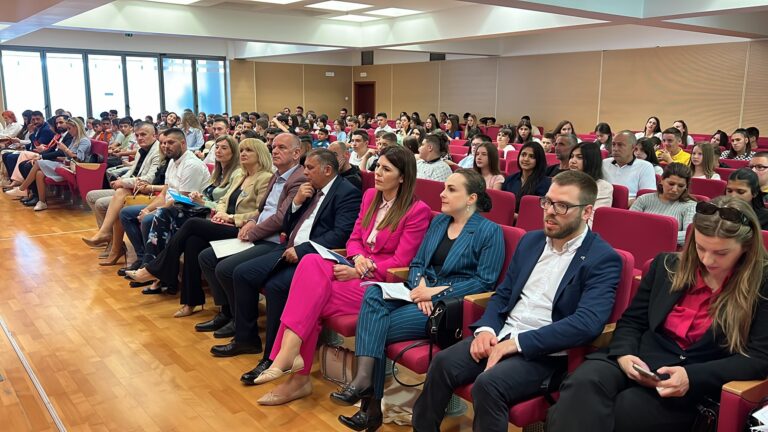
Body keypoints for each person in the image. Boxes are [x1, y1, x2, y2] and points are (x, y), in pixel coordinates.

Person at [413, 170, 622, 431]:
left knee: (488, 385)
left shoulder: (602, 258)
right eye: (547, 202)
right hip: (502, 334)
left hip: (545, 351)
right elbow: (503, 293)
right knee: (442, 363)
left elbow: (587, 323)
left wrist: (518, 343)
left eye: (562, 206)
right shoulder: (531, 241)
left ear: (587, 212)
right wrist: (486, 329)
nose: (550, 211)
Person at [548, 195, 768, 432]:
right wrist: (625, 354)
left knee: (624, 410)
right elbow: (633, 321)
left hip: (692, 378)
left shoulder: (762, 284)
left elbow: (758, 358)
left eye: (721, 253)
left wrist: (691, 376)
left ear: (746, 246)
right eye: (700, 247)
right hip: (639, 358)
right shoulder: (667, 265)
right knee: (582, 384)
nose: (707, 259)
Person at [251, 146, 433, 406]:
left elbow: (401, 262)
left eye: (386, 169)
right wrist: (357, 258)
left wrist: (360, 269)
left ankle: (292, 368)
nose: (377, 173)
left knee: (311, 298)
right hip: (354, 266)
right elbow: (354, 239)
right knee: (311, 261)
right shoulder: (370, 196)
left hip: (380, 283)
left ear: (402, 177)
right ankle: (290, 359)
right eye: (378, 166)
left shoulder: (416, 211)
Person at [331, 169, 504, 430]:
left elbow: (484, 282)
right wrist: (419, 285)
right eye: (444, 187)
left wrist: (436, 293)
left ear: (472, 198)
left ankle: (370, 404)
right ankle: (367, 393)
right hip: (420, 294)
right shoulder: (439, 222)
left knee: (374, 329)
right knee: (373, 292)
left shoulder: (489, 231)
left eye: (451, 189)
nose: (442, 194)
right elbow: (417, 263)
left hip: (449, 308)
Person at [209, 149, 361, 364]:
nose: (305, 172)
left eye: (310, 168)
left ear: (327, 170)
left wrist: (303, 250)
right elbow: (287, 225)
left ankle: (272, 356)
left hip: (314, 257)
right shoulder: (310, 189)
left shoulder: (347, 192)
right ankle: (246, 339)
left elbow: (340, 234)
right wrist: (296, 202)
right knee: (241, 273)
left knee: (276, 286)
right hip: (288, 246)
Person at [126, 139, 274, 315]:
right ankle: (191, 301)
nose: (243, 153)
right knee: (192, 242)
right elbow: (223, 201)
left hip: (243, 229)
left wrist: (231, 218)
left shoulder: (265, 178)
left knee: (192, 223)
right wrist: (221, 213)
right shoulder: (241, 175)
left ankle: (156, 269)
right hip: (224, 222)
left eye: (248, 150)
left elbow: (261, 212)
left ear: (260, 154)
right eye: (241, 150)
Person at [195, 133, 306, 337]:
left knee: (227, 268)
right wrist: (252, 221)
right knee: (206, 257)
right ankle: (228, 312)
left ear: (296, 153)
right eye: (273, 147)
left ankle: (242, 323)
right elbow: (263, 210)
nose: (275, 151)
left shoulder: (298, 178)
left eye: (282, 147)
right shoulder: (277, 175)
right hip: (258, 232)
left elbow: (280, 218)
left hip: (274, 240)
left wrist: (253, 230)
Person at [118, 128, 210, 269]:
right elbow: (164, 194)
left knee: (148, 219)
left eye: (171, 142)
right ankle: (142, 258)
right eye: (164, 143)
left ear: (183, 143)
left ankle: (151, 267)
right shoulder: (172, 161)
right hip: (170, 206)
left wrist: (154, 212)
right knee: (126, 213)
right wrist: (147, 209)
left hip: (188, 211)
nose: (166, 146)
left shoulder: (192, 164)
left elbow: (181, 200)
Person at [82, 122, 162, 251]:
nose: (140, 138)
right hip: (130, 188)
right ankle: (108, 238)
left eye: (143, 134)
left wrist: (123, 182)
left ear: (154, 135)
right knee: (91, 196)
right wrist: (122, 179)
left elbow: (149, 179)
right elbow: (133, 171)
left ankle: (111, 242)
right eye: (137, 135)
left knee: (101, 203)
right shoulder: (141, 150)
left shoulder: (158, 151)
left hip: (143, 191)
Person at [11, 117, 92, 211]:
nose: (68, 131)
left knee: (38, 163)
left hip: (74, 169)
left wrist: (65, 149)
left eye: (69, 128)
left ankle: (22, 188)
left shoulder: (84, 141)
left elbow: (78, 158)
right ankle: (42, 202)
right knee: (39, 173)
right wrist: (62, 154)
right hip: (67, 164)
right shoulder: (75, 139)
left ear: (77, 127)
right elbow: (69, 156)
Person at [630, 163, 696, 245]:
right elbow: (629, 224)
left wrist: (654, 236)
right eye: (671, 184)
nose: (675, 189)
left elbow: (689, 235)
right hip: (637, 243)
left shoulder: (690, 206)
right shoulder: (643, 199)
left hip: (668, 250)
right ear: (662, 181)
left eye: (681, 186)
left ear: (686, 187)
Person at [603, 131, 657, 204]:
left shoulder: (645, 167)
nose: (615, 149)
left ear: (633, 148)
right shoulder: (604, 163)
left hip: (630, 207)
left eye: (620, 145)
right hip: (604, 203)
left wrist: (623, 203)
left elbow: (647, 198)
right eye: (613, 144)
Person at [503, 141, 551, 212]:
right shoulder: (510, 179)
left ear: (539, 160)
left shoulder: (545, 184)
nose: (526, 159)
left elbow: (538, 212)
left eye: (531, 156)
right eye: (523, 155)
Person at [569, 142, 613, 214]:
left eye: (580, 157)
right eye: (571, 156)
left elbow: (594, 218)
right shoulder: (564, 181)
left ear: (591, 161)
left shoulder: (603, 187)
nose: (572, 161)